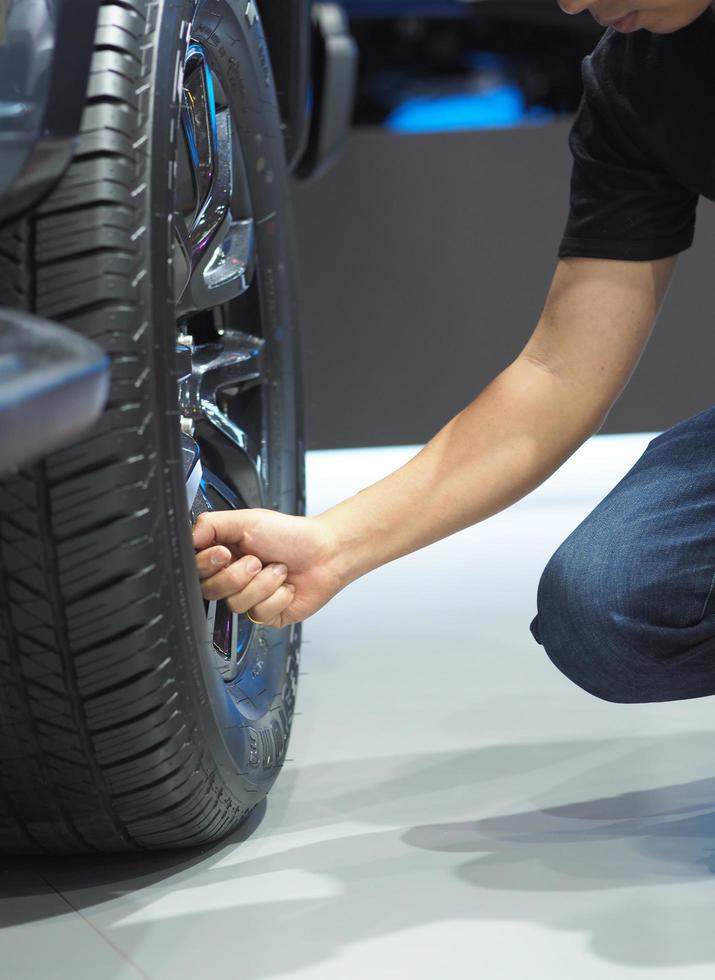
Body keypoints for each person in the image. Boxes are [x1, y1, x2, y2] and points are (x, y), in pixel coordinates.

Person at [193, 0, 715, 705]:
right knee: (608, 610)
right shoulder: (633, 82)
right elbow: (556, 374)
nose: (568, 3)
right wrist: (335, 544)